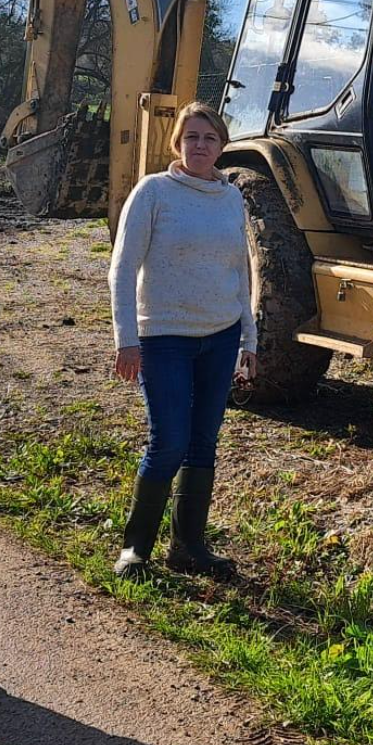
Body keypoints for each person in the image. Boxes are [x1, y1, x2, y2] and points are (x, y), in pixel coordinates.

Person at [108, 102, 257, 579]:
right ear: (177, 143)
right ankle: (136, 548)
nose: (200, 145)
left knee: (202, 443)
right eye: (191, 136)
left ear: (222, 146)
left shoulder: (231, 198)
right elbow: (122, 268)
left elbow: (241, 271)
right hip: (164, 337)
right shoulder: (153, 192)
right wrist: (126, 339)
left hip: (221, 336)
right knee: (169, 440)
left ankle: (189, 546)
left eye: (210, 138)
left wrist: (249, 339)